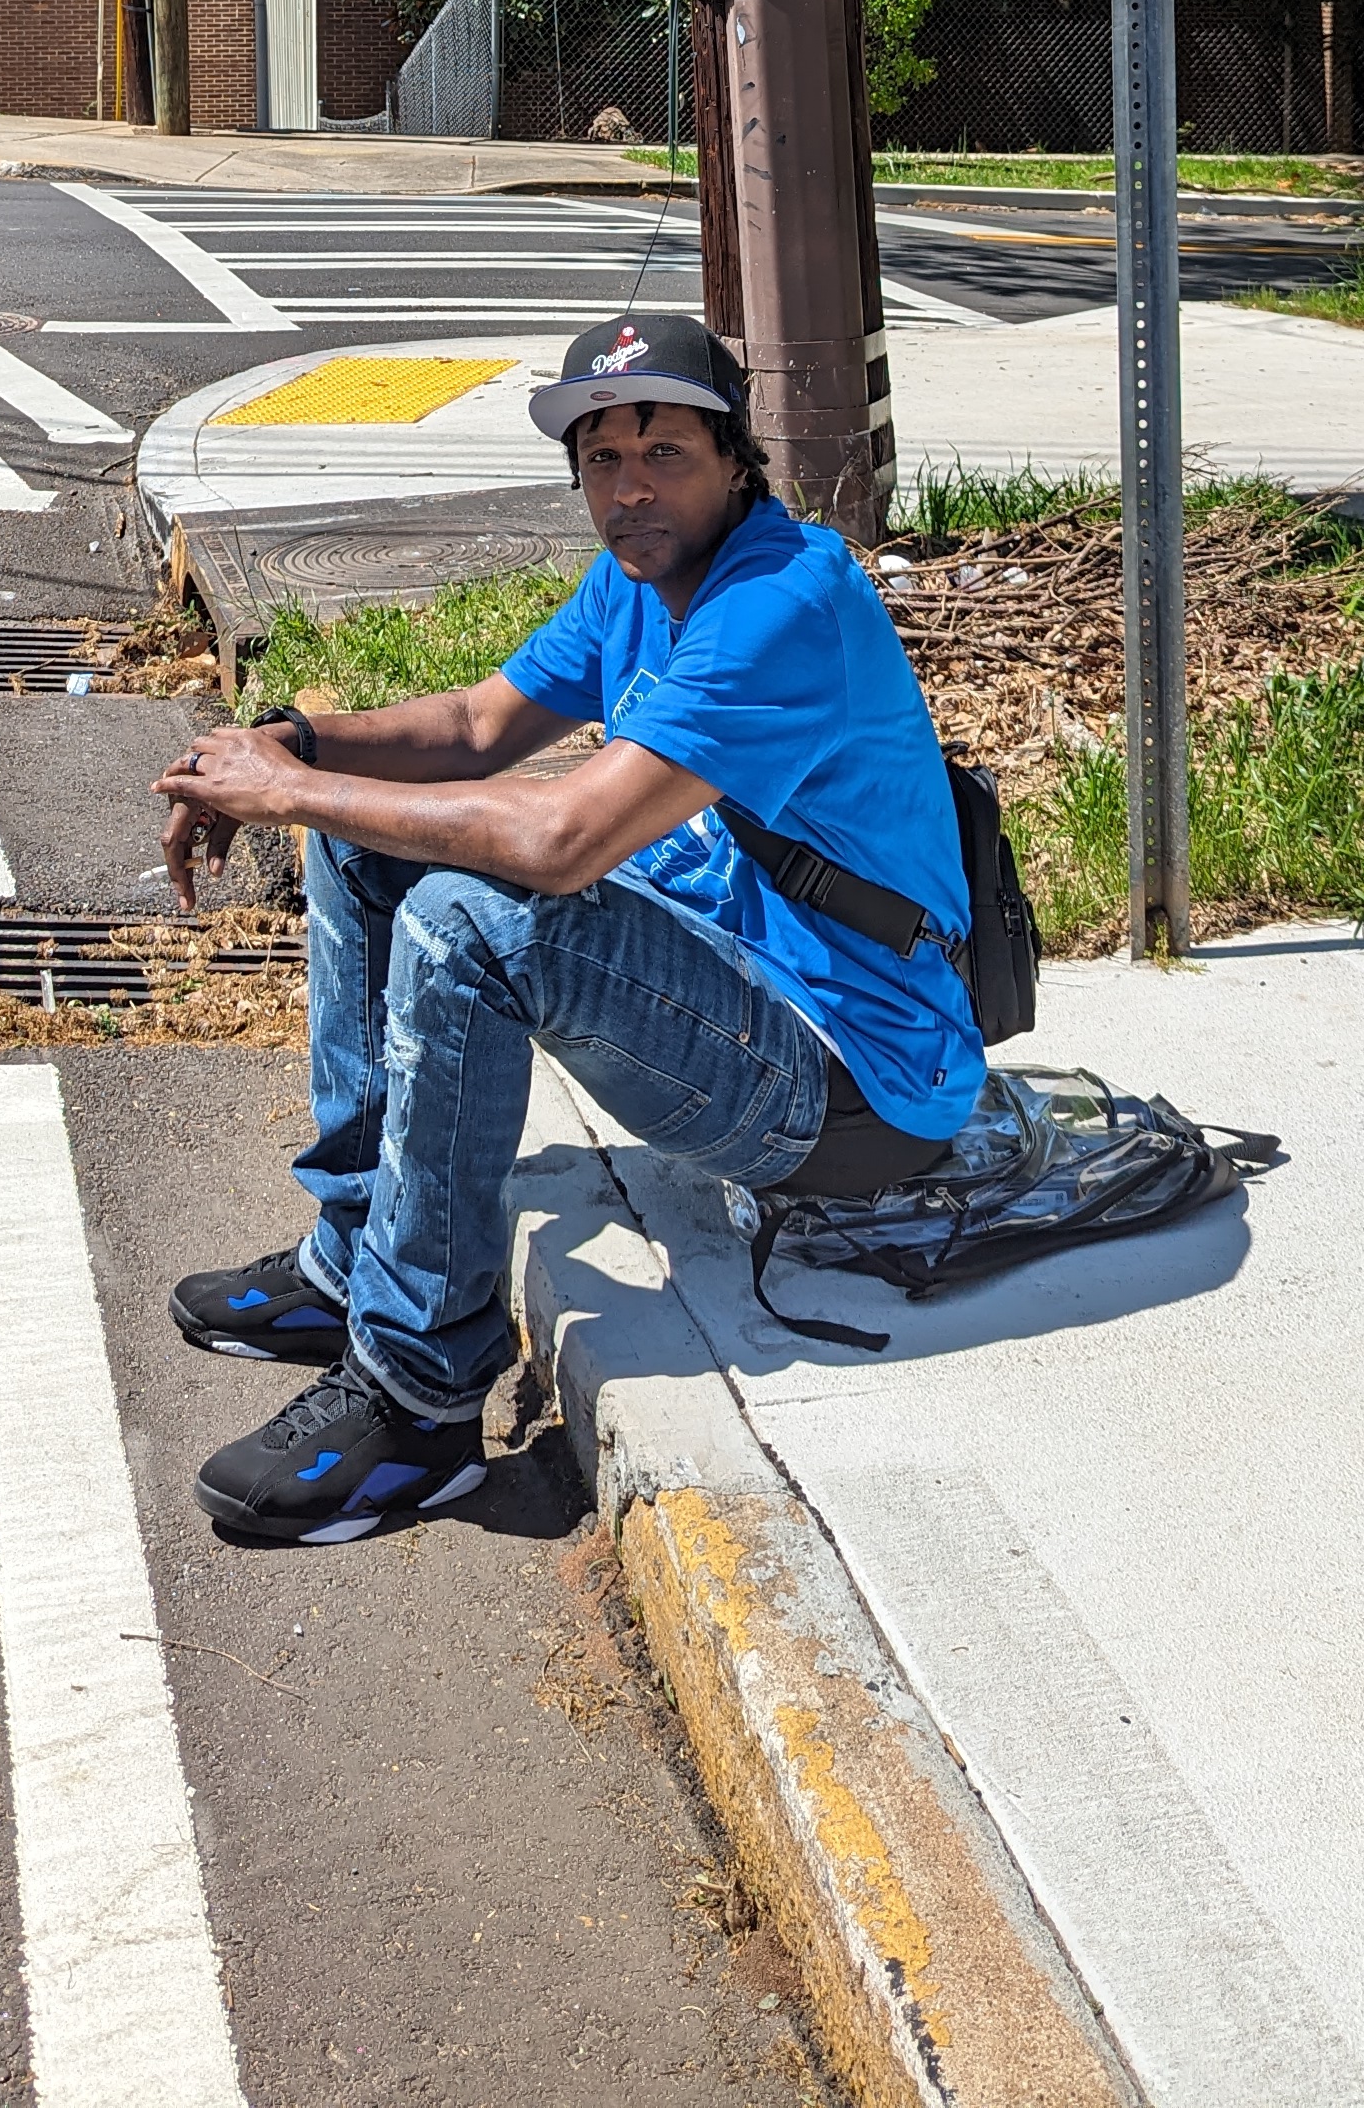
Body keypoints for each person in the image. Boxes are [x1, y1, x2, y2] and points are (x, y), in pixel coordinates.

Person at [152, 310, 985, 1546]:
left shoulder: (782, 602)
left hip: (853, 1076)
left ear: (734, 461)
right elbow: (481, 727)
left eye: (666, 454)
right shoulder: (640, 576)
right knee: (372, 843)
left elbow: (561, 840)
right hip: (732, 976)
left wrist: (284, 791)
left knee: (467, 921)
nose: (631, 488)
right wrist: (301, 745)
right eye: (604, 459)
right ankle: (350, 1259)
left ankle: (419, 1403)